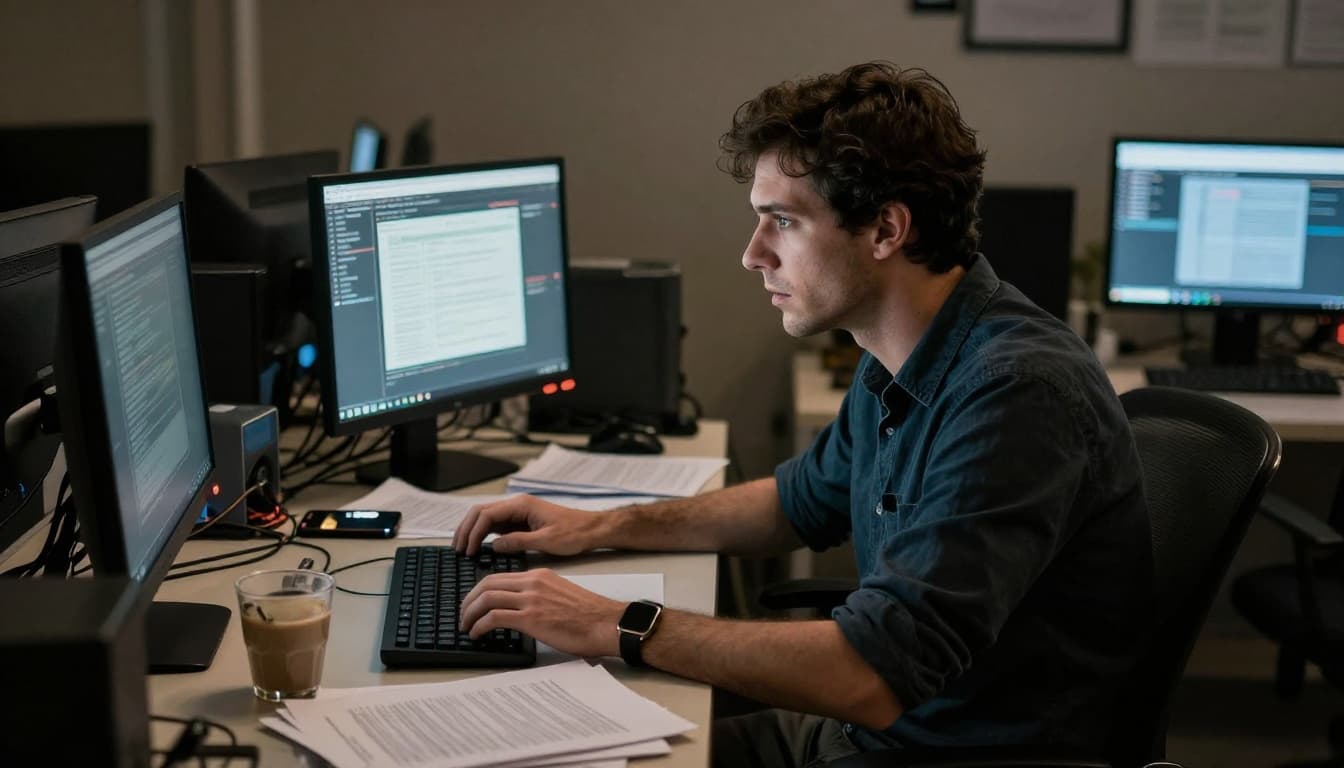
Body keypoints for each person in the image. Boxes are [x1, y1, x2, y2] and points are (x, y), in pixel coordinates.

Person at [456, 61, 1153, 766]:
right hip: (857, 737)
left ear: (885, 230)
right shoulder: (900, 351)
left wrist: (615, 622)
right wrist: (603, 527)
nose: (752, 255)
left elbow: (870, 675)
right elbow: (792, 504)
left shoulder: (1014, 394)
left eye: (782, 222)